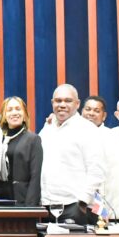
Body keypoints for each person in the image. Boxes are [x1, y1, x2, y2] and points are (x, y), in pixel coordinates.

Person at [38, 84, 105, 224]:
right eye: (58, 101)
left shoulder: (88, 129)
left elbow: (97, 170)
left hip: (75, 206)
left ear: (77, 104)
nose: (62, 105)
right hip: (46, 205)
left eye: (68, 101)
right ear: (52, 103)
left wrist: (83, 202)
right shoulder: (47, 128)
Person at [0, 97, 42, 206]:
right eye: (9, 110)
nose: (14, 112)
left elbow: (36, 176)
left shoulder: (33, 139)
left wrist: (30, 207)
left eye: (18, 109)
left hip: (22, 200)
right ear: (4, 116)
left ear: (24, 115)